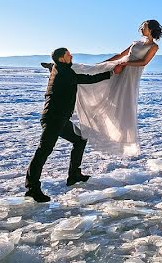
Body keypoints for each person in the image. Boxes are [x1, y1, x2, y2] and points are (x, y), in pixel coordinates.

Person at [25, 47, 120, 202]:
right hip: (53, 119)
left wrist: (49, 65)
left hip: (60, 119)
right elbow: (87, 79)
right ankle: (32, 189)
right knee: (43, 151)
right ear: (62, 59)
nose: (72, 56)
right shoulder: (66, 74)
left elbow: (52, 65)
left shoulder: (58, 67)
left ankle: (74, 175)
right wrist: (111, 73)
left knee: (80, 140)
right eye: (69, 55)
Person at [70, 20, 162, 157]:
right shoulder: (135, 43)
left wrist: (126, 64)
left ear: (151, 29)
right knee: (96, 72)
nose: (141, 29)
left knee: (120, 101)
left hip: (130, 74)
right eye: (142, 27)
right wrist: (106, 63)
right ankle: (63, 68)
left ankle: (120, 137)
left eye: (144, 27)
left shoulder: (154, 46)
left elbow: (143, 62)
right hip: (120, 66)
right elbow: (120, 55)